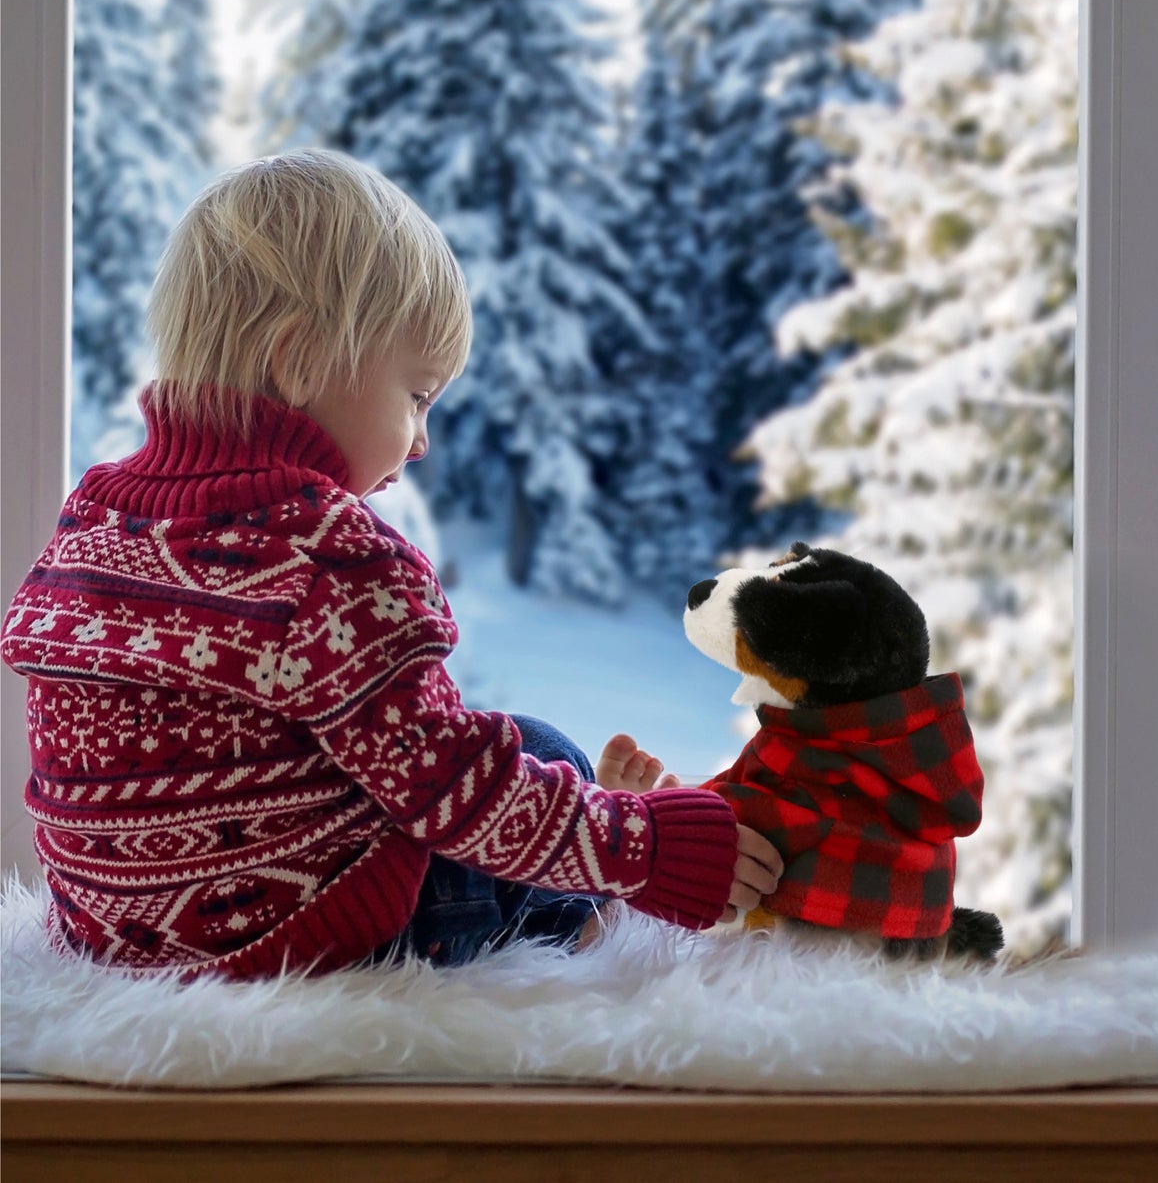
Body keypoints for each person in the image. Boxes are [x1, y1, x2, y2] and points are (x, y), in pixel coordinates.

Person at [1, 150, 780, 977]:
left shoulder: (95, 515)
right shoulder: (332, 557)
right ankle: (585, 904)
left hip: (108, 933)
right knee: (538, 748)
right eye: (415, 396)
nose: (420, 441)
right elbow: (452, 790)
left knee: (463, 754)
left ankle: (586, 847)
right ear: (297, 360)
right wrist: (652, 850)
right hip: (305, 936)